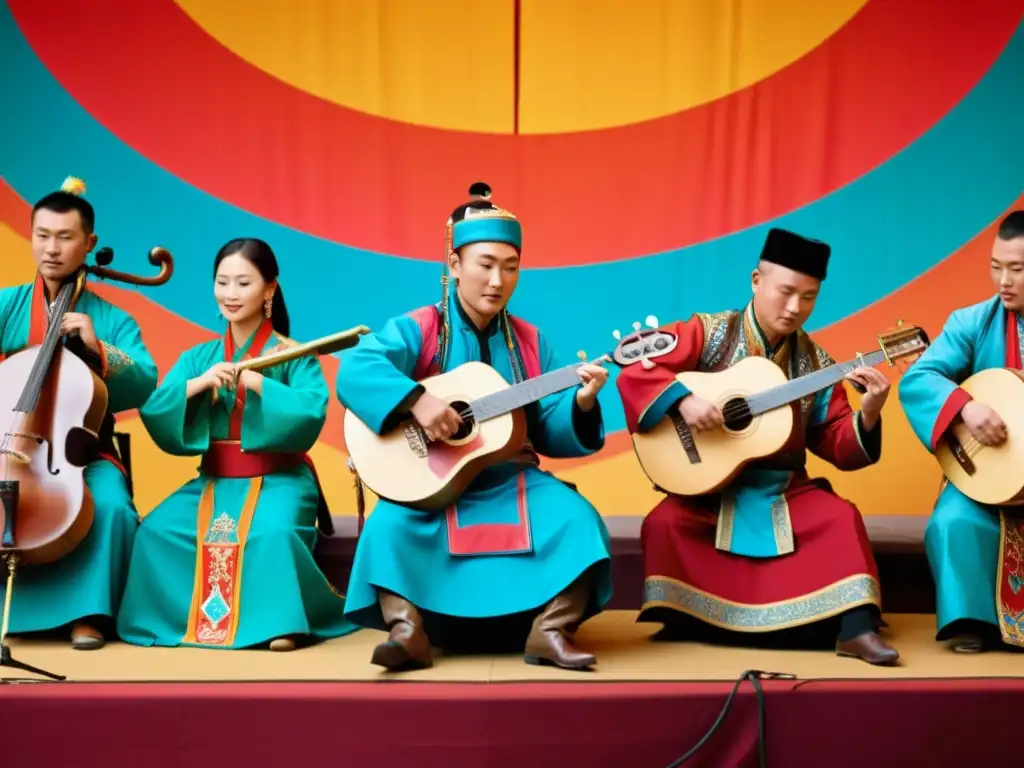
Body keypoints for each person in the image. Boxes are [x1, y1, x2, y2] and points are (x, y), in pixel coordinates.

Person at [335, 183, 613, 671]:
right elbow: (358, 367)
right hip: (433, 481)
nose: (497, 280)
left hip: (511, 480)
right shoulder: (421, 327)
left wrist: (582, 404)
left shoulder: (529, 341)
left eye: (510, 267)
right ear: (455, 264)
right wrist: (417, 401)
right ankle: (407, 631)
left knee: (578, 521)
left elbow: (548, 426)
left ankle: (550, 630)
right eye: (484, 264)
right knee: (387, 527)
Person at [615, 227, 900, 665]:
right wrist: (684, 401)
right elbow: (636, 370)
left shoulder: (816, 365)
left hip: (784, 490)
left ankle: (854, 629)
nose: (794, 308)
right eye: (785, 292)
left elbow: (838, 442)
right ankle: (696, 616)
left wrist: (871, 412)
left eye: (808, 297)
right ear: (756, 281)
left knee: (841, 520)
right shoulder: (707, 332)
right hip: (711, 492)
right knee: (666, 523)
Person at [116, 238, 357, 651]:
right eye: (222, 282)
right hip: (214, 479)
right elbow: (156, 408)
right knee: (156, 532)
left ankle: (280, 623)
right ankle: (176, 623)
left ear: (269, 289)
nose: (230, 293)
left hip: (279, 479)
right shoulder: (200, 357)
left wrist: (256, 381)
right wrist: (200, 384)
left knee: (273, 534)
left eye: (243, 283)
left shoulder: (294, 355)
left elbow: (311, 411)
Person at [0, 177, 158, 650]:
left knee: (110, 507)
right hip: (9, 444)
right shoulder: (8, 304)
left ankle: (88, 613)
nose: (51, 248)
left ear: (88, 243)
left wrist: (97, 346)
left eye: (65, 237)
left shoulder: (112, 318)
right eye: (42, 235)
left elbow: (145, 380)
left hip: (79, 455)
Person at [899, 210, 1024, 653]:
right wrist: (965, 407)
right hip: (985, 479)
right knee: (952, 521)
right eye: (996, 266)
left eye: (1017, 269)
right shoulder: (972, 322)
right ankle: (973, 621)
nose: (1003, 280)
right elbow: (919, 378)